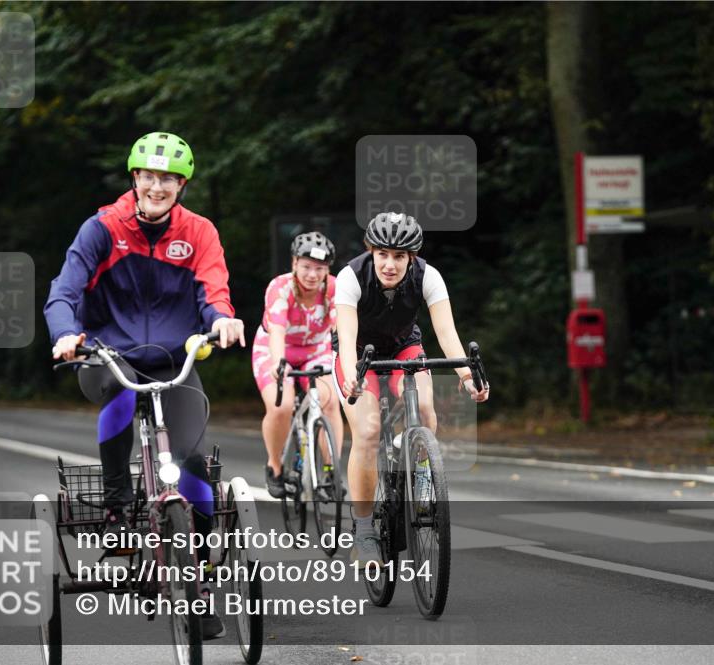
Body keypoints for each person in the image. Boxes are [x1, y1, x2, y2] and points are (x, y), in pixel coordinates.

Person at [44, 131, 243, 638]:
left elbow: (213, 288)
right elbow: (63, 292)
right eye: (149, 177)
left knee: (195, 461)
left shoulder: (198, 232)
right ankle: (115, 507)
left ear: (181, 185)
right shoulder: (102, 229)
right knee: (120, 387)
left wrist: (221, 320)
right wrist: (67, 334)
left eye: (168, 179)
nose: (157, 187)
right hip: (105, 355)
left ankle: (193, 565)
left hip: (174, 358)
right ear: (135, 179)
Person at [334, 212, 490, 567]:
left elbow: (447, 334)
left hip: (405, 346)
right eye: (383, 254)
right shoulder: (350, 277)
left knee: (424, 414)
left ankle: (420, 481)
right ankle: (364, 532)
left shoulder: (429, 277)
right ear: (371, 251)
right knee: (369, 430)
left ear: (412, 257)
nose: (390, 264)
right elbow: (345, 338)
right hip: (360, 354)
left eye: (400, 256)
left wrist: (468, 377)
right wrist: (351, 377)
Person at [252, 232, 344, 498]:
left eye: (320, 269)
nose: (312, 275)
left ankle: (330, 471)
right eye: (306, 266)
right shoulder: (279, 287)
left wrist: (346, 360)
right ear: (294, 264)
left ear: (327, 270)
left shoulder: (335, 288)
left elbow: (340, 329)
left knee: (329, 401)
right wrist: (279, 363)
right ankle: (275, 466)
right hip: (275, 348)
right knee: (280, 406)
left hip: (317, 349)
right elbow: (277, 330)